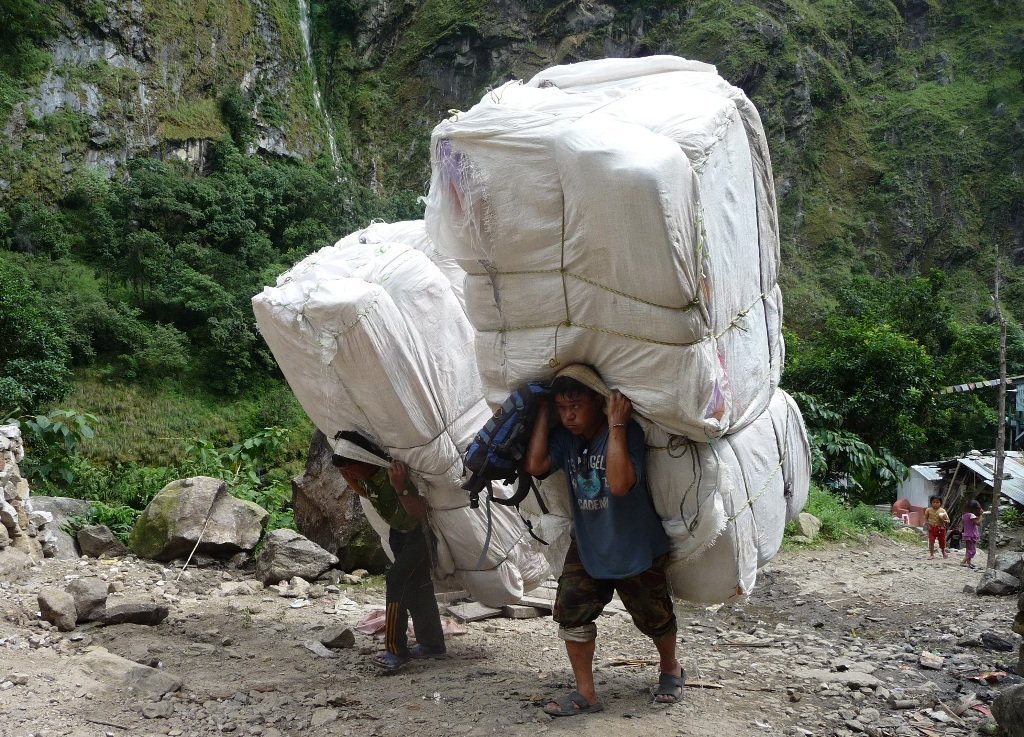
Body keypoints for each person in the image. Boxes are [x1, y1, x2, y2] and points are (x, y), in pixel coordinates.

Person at [525, 365, 683, 716]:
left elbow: (619, 484)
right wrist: (542, 414)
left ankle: (671, 668)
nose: (569, 416)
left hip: (635, 546)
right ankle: (586, 693)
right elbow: (535, 465)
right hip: (589, 544)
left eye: (576, 406)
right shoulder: (566, 440)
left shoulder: (629, 434)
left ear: (599, 402)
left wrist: (616, 423)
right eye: (562, 408)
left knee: (655, 617)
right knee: (571, 612)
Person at [331, 431, 446, 671]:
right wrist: (348, 476)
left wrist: (400, 487)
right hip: (399, 536)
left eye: (350, 469)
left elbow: (418, 513)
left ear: (364, 461)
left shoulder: (391, 474)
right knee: (418, 588)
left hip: (418, 537)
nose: (348, 475)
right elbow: (365, 491)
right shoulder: (367, 477)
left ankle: (396, 650)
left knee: (396, 581)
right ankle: (432, 643)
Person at [923, 494, 950, 560]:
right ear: (931, 503)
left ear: (940, 503)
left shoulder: (943, 511)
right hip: (931, 528)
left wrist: (943, 520)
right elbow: (926, 519)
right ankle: (931, 554)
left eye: (937, 502)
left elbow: (948, 520)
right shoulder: (928, 510)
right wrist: (928, 525)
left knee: (942, 542)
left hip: (941, 529)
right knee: (931, 542)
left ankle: (943, 552)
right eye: (934, 502)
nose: (935, 504)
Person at [960, 499, 984, 569]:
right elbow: (978, 523)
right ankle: (963, 562)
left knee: (968, 549)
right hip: (971, 535)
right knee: (972, 550)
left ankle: (969, 562)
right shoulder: (971, 515)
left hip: (966, 534)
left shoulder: (964, 515)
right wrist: (981, 515)